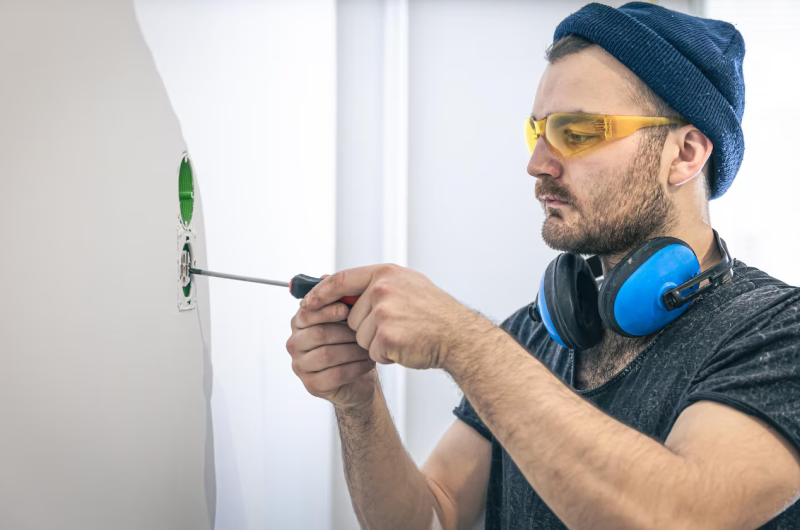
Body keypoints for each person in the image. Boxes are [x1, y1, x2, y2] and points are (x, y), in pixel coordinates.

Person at [285, 3, 800, 528]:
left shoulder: (780, 332)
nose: (536, 165)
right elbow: (432, 517)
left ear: (685, 154)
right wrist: (358, 403)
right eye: (538, 133)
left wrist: (463, 342)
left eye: (576, 132)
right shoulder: (533, 336)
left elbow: (679, 517)